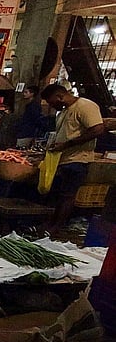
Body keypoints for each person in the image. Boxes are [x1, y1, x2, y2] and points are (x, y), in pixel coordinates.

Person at [40, 84, 105, 232]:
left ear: (59, 96)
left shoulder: (85, 106)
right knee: (57, 194)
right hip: (62, 159)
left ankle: (56, 227)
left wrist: (67, 144)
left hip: (77, 160)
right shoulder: (63, 112)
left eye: (51, 102)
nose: (51, 106)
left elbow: (97, 129)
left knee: (67, 195)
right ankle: (49, 224)